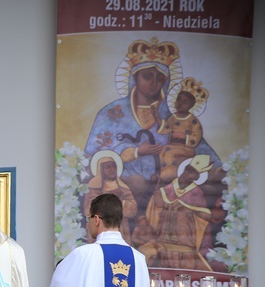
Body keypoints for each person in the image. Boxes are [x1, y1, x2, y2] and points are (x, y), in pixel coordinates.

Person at [83, 38, 221, 219]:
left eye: (160, 78)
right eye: (147, 76)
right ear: (135, 78)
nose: (155, 83)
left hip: (164, 194)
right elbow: (94, 157)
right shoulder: (110, 114)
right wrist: (136, 152)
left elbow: (203, 153)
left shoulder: (173, 119)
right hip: (123, 194)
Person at [139, 155, 214, 271]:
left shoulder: (196, 193)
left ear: (197, 177)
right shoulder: (165, 191)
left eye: (194, 174)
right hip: (163, 245)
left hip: (185, 246)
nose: (189, 175)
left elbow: (206, 215)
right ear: (184, 169)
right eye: (189, 171)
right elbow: (154, 207)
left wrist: (188, 209)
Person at [156, 77, 209, 185]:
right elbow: (166, 128)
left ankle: (170, 180)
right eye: (178, 100)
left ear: (191, 105)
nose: (179, 104)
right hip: (170, 146)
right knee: (161, 154)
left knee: (171, 157)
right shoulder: (173, 117)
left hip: (184, 150)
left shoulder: (193, 121)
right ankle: (161, 179)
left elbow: (196, 138)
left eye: (184, 102)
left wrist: (182, 136)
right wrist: (155, 115)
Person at [82, 150, 138, 244]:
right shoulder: (94, 188)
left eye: (114, 166)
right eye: (108, 167)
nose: (112, 169)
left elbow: (133, 209)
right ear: (100, 170)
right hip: (98, 231)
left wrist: (120, 200)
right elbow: (88, 210)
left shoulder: (123, 188)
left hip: (121, 229)